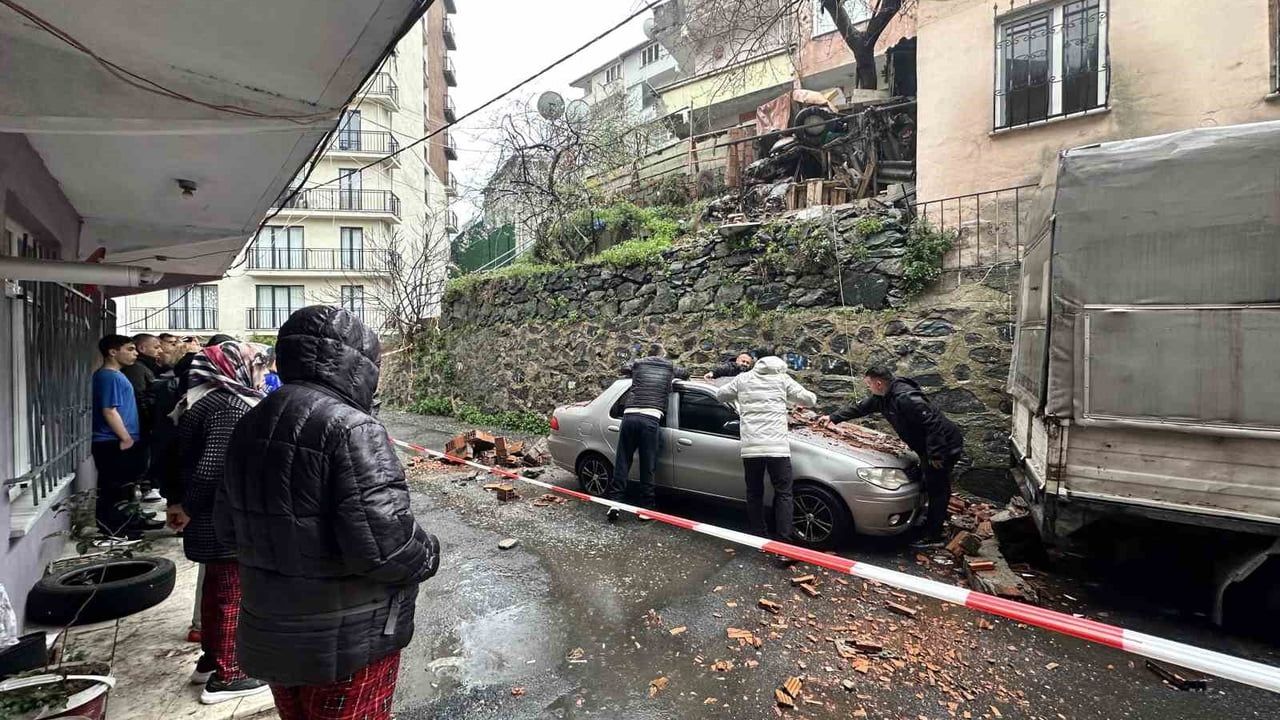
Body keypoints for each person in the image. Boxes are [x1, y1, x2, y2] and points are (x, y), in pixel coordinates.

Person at [217, 306, 440, 720]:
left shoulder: (250, 422)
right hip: (348, 637)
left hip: (268, 628)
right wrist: (429, 552)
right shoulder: (352, 427)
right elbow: (388, 549)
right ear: (359, 365)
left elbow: (226, 530)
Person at [171, 341, 272, 704]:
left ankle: (212, 660)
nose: (265, 375)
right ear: (236, 368)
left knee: (216, 593)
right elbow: (212, 469)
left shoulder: (206, 400)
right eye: (260, 367)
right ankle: (229, 676)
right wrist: (191, 507)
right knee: (233, 596)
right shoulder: (229, 407)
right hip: (225, 520)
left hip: (214, 518)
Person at [820, 366, 966, 542]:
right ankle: (925, 520)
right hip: (929, 447)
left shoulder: (906, 398)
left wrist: (936, 455)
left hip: (945, 446)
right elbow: (861, 408)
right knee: (927, 482)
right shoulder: (883, 397)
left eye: (869, 384)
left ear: (878, 383)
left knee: (938, 488)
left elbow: (933, 424)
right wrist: (833, 418)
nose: (868, 388)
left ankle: (933, 534)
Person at [715, 356, 816, 542]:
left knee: (754, 492)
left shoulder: (743, 379)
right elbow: (810, 400)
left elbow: (720, 395)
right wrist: (789, 398)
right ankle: (783, 541)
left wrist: (739, 397)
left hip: (752, 448)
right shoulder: (783, 379)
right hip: (778, 449)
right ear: (780, 366)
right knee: (784, 493)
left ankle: (758, 535)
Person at [90, 335, 161, 536]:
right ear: (113, 352)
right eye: (130, 349)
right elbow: (109, 410)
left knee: (125, 487)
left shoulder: (116, 375)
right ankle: (116, 529)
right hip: (112, 440)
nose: (135, 353)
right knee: (114, 489)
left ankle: (130, 521)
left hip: (120, 439)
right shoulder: (109, 377)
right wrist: (126, 438)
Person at [606, 355, 689, 522]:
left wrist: (636, 367)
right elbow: (685, 373)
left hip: (629, 416)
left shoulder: (638, 364)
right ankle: (646, 508)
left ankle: (614, 503)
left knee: (623, 461)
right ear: (662, 355)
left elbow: (624, 368)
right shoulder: (669, 367)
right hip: (650, 418)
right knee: (647, 464)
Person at [122, 333, 165, 502]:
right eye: (156, 347)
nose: (160, 350)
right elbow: (140, 397)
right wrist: (151, 420)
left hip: (141, 425)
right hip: (138, 426)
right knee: (135, 466)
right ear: (142, 348)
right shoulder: (136, 369)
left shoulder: (146, 367)